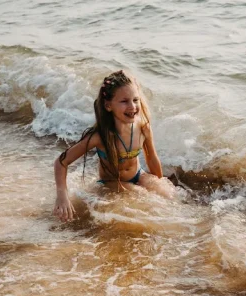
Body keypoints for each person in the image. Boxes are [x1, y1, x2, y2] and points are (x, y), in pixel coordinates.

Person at [53, 70, 171, 221]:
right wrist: (62, 195)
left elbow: (152, 158)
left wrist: (159, 182)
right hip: (112, 182)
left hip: (138, 174)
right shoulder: (99, 137)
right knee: (142, 195)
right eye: (124, 101)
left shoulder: (143, 127)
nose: (132, 106)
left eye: (135, 100)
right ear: (108, 106)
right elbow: (61, 162)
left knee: (167, 194)